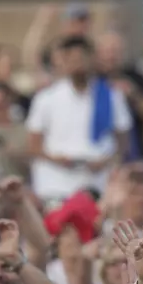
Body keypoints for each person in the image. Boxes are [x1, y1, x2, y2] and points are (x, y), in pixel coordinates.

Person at [26, 36, 133, 205]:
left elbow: (123, 142)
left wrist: (105, 161)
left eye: (82, 58)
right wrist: (59, 160)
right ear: (64, 61)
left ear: (92, 59)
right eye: (72, 59)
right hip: (57, 183)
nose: (77, 64)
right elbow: (33, 146)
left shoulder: (111, 96)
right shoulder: (46, 98)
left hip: (97, 182)